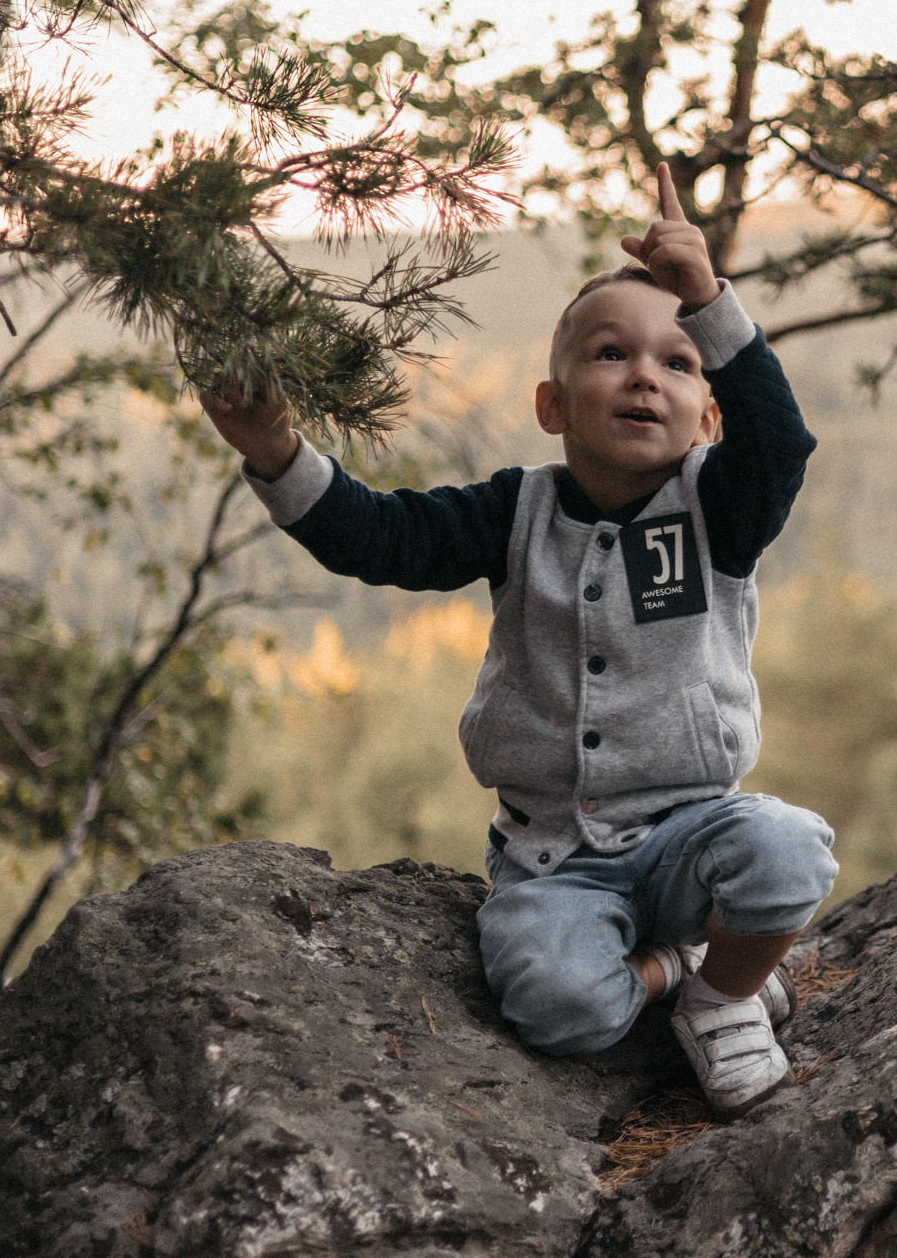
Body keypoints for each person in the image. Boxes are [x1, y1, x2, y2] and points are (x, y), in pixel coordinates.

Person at [202, 168, 837, 1116]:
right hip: (555, 860)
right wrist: (276, 455)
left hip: (693, 834)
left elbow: (781, 446)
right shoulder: (515, 511)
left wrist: (709, 297)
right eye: (611, 354)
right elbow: (383, 537)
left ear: (709, 418)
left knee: (790, 852)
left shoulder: (721, 509)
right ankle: (679, 967)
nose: (642, 377)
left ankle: (723, 998)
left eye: (678, 362)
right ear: (553, 405)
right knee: (556, 1003)